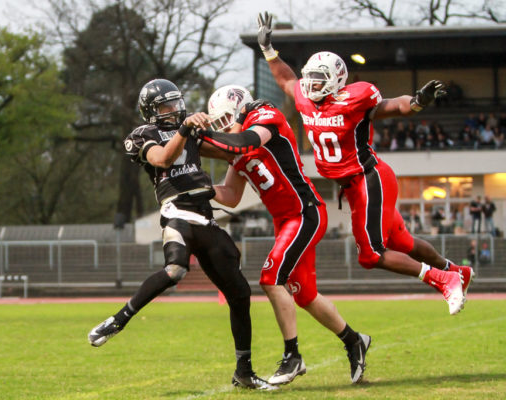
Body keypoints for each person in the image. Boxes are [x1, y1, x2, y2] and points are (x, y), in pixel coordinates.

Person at [255, 11, 474, 315]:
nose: (312, 84)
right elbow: (287, 79)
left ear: (336, 80)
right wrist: (268, 51)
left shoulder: (355, 99)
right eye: (312, 77)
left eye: (320, 79)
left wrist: (417, 102)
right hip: (354, 186)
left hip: (369, 178)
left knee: (371, 254)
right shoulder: (304, 98)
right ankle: (457, 270)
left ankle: (443, 279)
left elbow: (392, 106)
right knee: (403, 241)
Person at [87, 79, 274, 390]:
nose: (173, 110)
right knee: (175, 269)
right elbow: (162, 158)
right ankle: (117, 320)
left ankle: (244, 371)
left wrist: (242, 118)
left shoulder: (191, 134)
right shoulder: (141, 136)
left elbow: (232, 150)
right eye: (165, 106)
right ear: (151, 111)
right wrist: (185, 129)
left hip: (205, 214)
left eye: (176, 104)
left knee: (240, 294)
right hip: (177, 211)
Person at [197, 85, 371, 384]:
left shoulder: (264, 116)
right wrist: (199, 187)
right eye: (218, 122)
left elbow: (243, 142)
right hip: (285, 220)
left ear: (240, 107)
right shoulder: (234, 145)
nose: (223, 125)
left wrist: (196, 139)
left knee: (270, 278)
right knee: (305, 295)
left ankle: (293, 357)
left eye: (225, 117)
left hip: (305, 212)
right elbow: (231, 196)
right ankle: (355, 340)